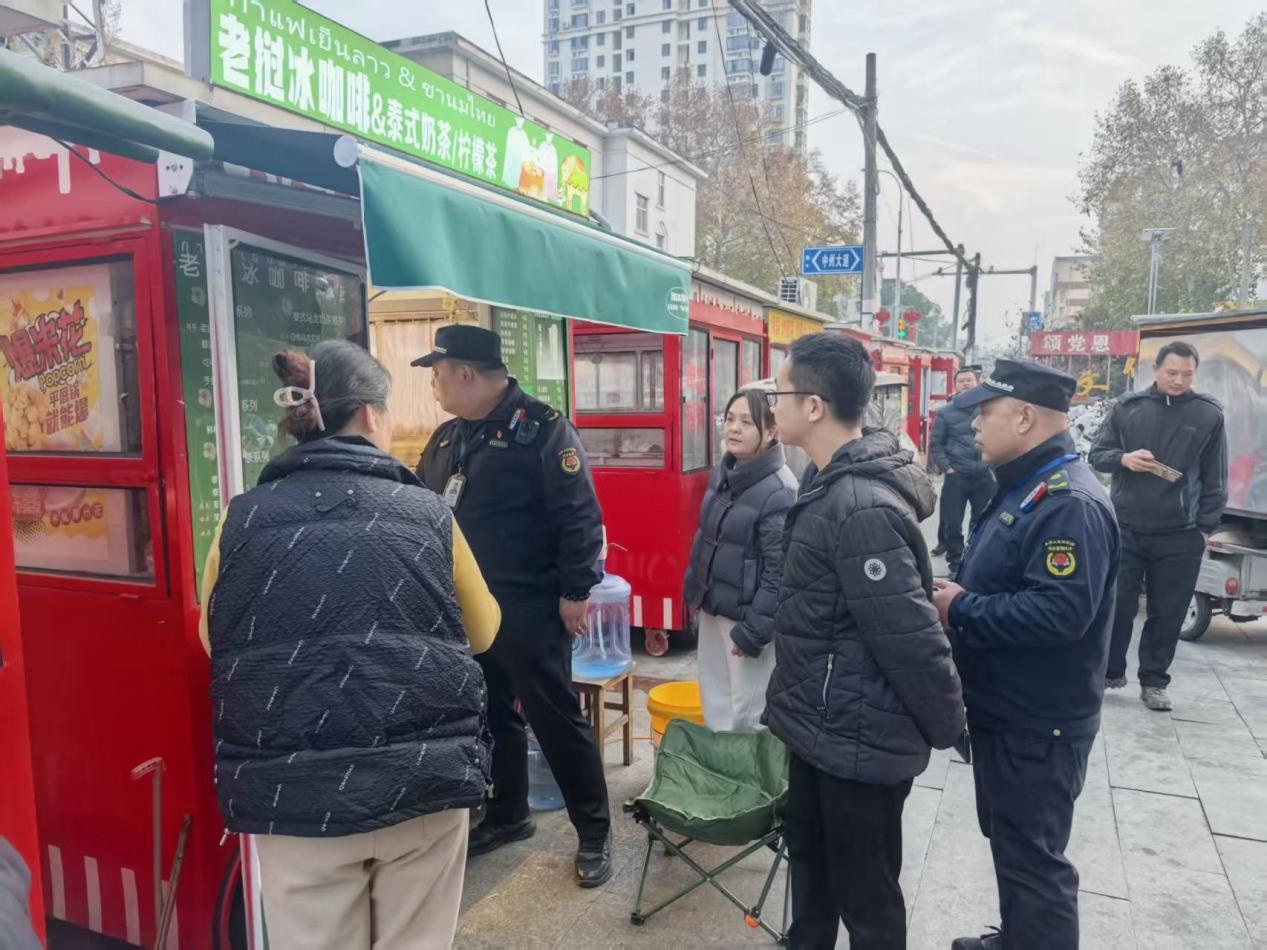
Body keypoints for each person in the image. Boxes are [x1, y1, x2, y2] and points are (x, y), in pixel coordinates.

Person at [200, 340, 501, 950]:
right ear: (369, 415)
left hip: (292, 798)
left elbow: (214, 638)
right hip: (421, 786)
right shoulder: (427, 514)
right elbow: (484, 630)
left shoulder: (241, 517)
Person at [764, 333, 965, 950]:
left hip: (860, 740)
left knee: (868, 901)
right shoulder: (828, 483)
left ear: (815, 406)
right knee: (814, 885)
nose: (771, 405)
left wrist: (954, 726)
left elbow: (909, 638)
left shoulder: (857, 504)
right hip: (823, 729)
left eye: (779, 393)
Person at [415, 324, 613, 887]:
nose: (434, 386)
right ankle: (508, 814)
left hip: (529, 607)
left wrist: (576, 591)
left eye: (437, 374)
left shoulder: (544, 430)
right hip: (466, 610)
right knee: (490, 716)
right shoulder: (451, 436)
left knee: (554, 718)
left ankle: (594, 832)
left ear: (465, 374)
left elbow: (579, 516)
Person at [930, 360, 1119, 950]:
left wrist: (961, 608)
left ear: (1026, 417)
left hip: (1039, 723)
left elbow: (1061, 614)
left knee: (1036, 861)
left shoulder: (1067, 502)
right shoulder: (1026, 486)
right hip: (1009, 712)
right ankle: (1018, 937)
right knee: (1013, 845)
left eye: (985, 413)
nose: (975, 425)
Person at [1090, 340, 1227, 711]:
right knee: (1116, 606)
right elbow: (1097, 454)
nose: (1179, 380)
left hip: (1180, 534)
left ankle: (1153, 681)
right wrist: (1124, 459)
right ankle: (1109, 672)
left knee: (1168, 612)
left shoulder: (1207, 414)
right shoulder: (1128, 408)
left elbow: (1216, 478)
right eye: (1172, 372)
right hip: (1126, 528)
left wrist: (1204, 529)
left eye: (1187, 374)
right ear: (1157, 370)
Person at [683, 386, 797, 732]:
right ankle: (723, 770)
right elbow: (708, 538)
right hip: (714, 606)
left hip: (746, 619)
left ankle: (749, 779)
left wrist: (755, 631)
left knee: (746, 709)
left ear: (772, 432)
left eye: (747, 422)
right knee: (715, 697)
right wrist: (695, 593)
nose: (733, 428)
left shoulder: (780, 489)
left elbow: (780, 571)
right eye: (730, 418)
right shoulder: (725, 472)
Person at [930, 368, 995, 574]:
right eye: (961, 381)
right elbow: (936, 444)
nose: (966, 384)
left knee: (982, 519)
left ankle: (974, 557)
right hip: (956, 475)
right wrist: (946, 467)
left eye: (969, 380)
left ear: (977, 383)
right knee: (952, 522)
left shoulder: (988, 410)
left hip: (984, 474)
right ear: (955, 386)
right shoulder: (945, 412)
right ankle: (955, 562)